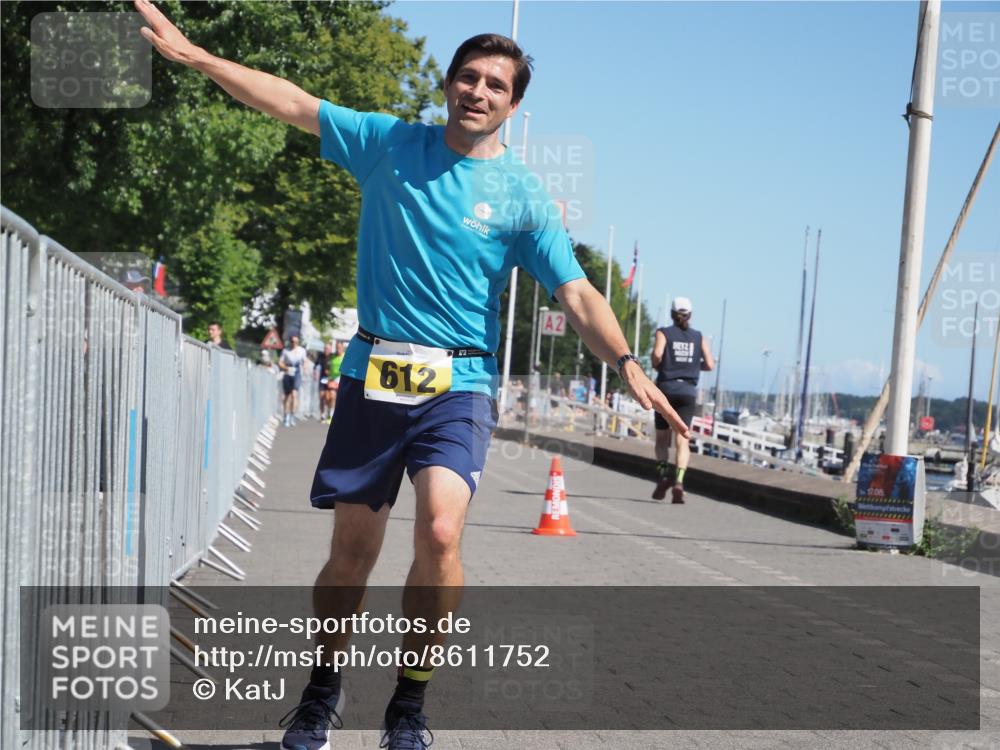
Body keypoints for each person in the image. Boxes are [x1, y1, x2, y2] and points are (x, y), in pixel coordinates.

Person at [135, 4, 689, 748]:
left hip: (459, 385)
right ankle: (322, 694)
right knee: (353, 550)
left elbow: (578, 293)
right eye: (468, 76)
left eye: (496, 84)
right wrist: (199, 58)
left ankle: (409, 706)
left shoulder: (525, 197)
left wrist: (624, 361)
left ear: (514, 106)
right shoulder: (389, 144)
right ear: (449, 84)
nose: (478, 91)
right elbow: (291, 100)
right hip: (372, 372)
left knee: (437, 528)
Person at [650, 296, 715, 503]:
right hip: (688, 391)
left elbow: (657, 355)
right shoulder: (699, 337)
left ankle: (663, 476)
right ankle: (679, 481)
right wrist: (694, 367)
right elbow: (710, 365)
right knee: (682, 439)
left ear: (671, 313)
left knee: (662, 439)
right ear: (690, 315)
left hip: (666, 389)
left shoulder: (664, 333)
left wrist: (658, 363)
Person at [279, 334, 307, 427]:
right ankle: (286, 415)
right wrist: (286, 368)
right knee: (287, 396)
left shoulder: (302, 351)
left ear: (298, 342)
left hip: (297, 374)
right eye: (292, 341)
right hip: (288, 373)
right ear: (290, 342)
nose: (294, 343)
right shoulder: (285, 351)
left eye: (296, 342)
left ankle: (292, 415)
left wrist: (305, 370)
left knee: (294, 395)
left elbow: (304, 362)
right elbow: (280, 362)